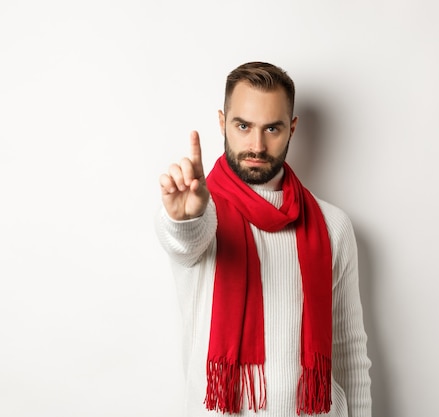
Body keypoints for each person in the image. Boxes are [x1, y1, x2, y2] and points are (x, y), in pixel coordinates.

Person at [155, 62, 372, 417]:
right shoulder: (201, 213)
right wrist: (185, 218)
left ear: (292, 129)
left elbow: (349, 350)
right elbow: (185, 241)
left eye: (272, 128)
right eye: (243, 126)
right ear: (223, 123)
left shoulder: (333, 225)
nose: (257, 145)